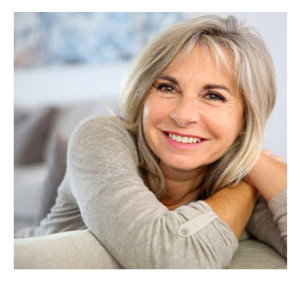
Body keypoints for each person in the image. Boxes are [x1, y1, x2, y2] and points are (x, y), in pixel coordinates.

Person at [14, 15, 287, 269]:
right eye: (167, 88)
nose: (182, 115)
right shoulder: (100, 136)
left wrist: (260, 169)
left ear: (245, 120)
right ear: (143, 95)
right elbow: (171, 259)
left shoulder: (237, 171)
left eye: (213, 96)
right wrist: (244, 190)